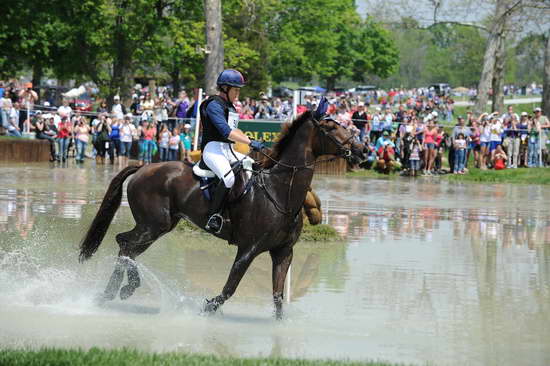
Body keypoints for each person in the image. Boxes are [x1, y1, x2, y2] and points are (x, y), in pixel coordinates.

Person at [199, 69, 264, 233]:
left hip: (227, 149)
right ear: (225, 88)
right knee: (228, 178)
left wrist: (252, 142)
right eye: (236, 90)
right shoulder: (213, 104)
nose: (238, 93)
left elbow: (236, 132)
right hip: (212, 149)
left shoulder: (230, 107)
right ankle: (213, 216)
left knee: (252, 166)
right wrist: (250, 141)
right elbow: (226, 131)